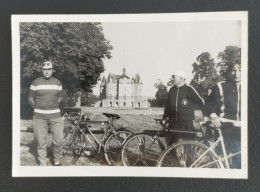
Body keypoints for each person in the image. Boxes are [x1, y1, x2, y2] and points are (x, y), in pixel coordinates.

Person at [205, 60, 241, 168]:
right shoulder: (221, 86)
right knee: (222, 160)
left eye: (240, 70)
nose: (237, 73)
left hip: (244, 128)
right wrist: (214, 116)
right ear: (230, 71)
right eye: (234, 70)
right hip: (226, 127)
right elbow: (208, 104)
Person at [28, 61, 64, 166]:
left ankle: (57, 160)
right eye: (45, 70)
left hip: (55, 115)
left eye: (49, 69)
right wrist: (37, 108)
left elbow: (60, 96)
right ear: (42, 70)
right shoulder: (35, 82)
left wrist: (53, 104)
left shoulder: (58, 83)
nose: (47, 72)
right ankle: (42, 163)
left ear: (52, 70)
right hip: (39, 116)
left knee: (59, 139)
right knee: (41, 141)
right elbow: (30, 99)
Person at [163, 70, 205, 146]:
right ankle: (172, 158)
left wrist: (206, 115)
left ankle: (189, 158)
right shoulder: (172, 90)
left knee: (188, 145)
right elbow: (168, 105)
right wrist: (164, 117)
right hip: (173, 122)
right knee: (171, 145)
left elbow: (201, 102)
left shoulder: (189, 89)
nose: (172, 79)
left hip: (186, 123)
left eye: (174, 77)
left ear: (182, 79)